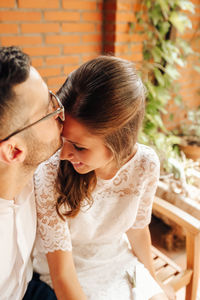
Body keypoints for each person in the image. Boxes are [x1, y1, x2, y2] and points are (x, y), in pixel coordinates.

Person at [33, 56, 172, 300]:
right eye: (62, 139)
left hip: (117, 258)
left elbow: (138, 229)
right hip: (69, 270)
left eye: (78, 146)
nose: (64, 154)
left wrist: (153, 283)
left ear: (120, 142)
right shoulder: (49, 173)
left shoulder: (146, 164)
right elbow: (63, 275)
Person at [0, 46, 64, 300]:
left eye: (52, 95)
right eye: (49, 111)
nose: (61, 113)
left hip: (30, 287)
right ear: (14, 152)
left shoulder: (39, 172)